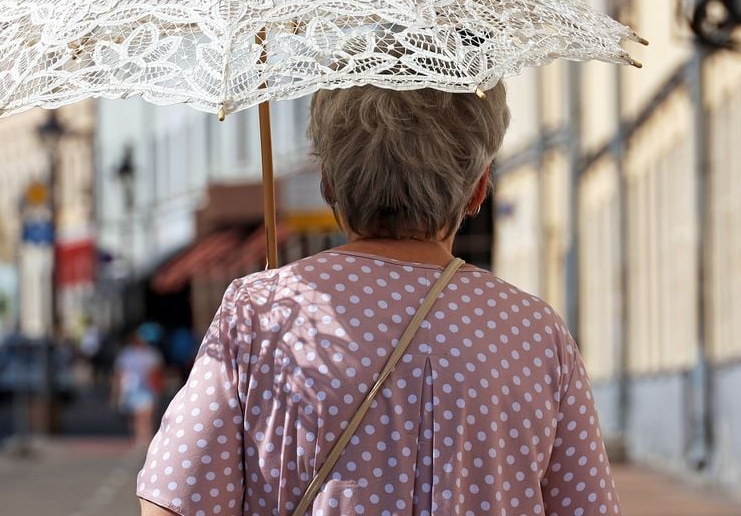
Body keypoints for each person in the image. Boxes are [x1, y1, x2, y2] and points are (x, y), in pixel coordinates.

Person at [137, 85, 621, 515]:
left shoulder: (262, 312)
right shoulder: (534, 332)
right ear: (478, 190)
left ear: (328, 183)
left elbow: (174, 501)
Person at [113, 325, 164, 445]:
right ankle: (139, 437)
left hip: (148, 388)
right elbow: (119, 373)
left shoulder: (152, 354)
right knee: (136, 416)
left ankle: (146, 438)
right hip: (131, 389)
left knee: (146, 415)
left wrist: (159, 386)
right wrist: (116, 391)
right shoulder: (126, 354)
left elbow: (158, 372)